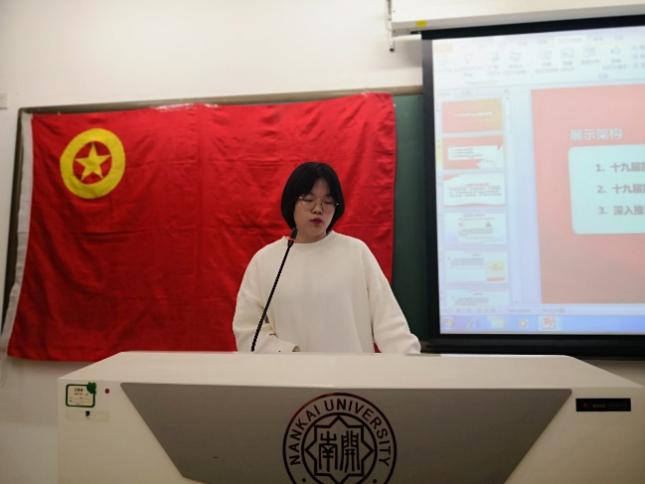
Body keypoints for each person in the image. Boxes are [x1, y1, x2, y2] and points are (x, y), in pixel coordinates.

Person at [232, 161, 420, 354]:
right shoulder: (265, 261)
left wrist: (410, 361)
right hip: (290, 371)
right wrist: (289, 353)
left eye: (328, 202)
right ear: (291, 202)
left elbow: (390, 323)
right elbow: (248, 332)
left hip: (353, 372)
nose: (318, 209)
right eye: (308, 199)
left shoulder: (356, 252)